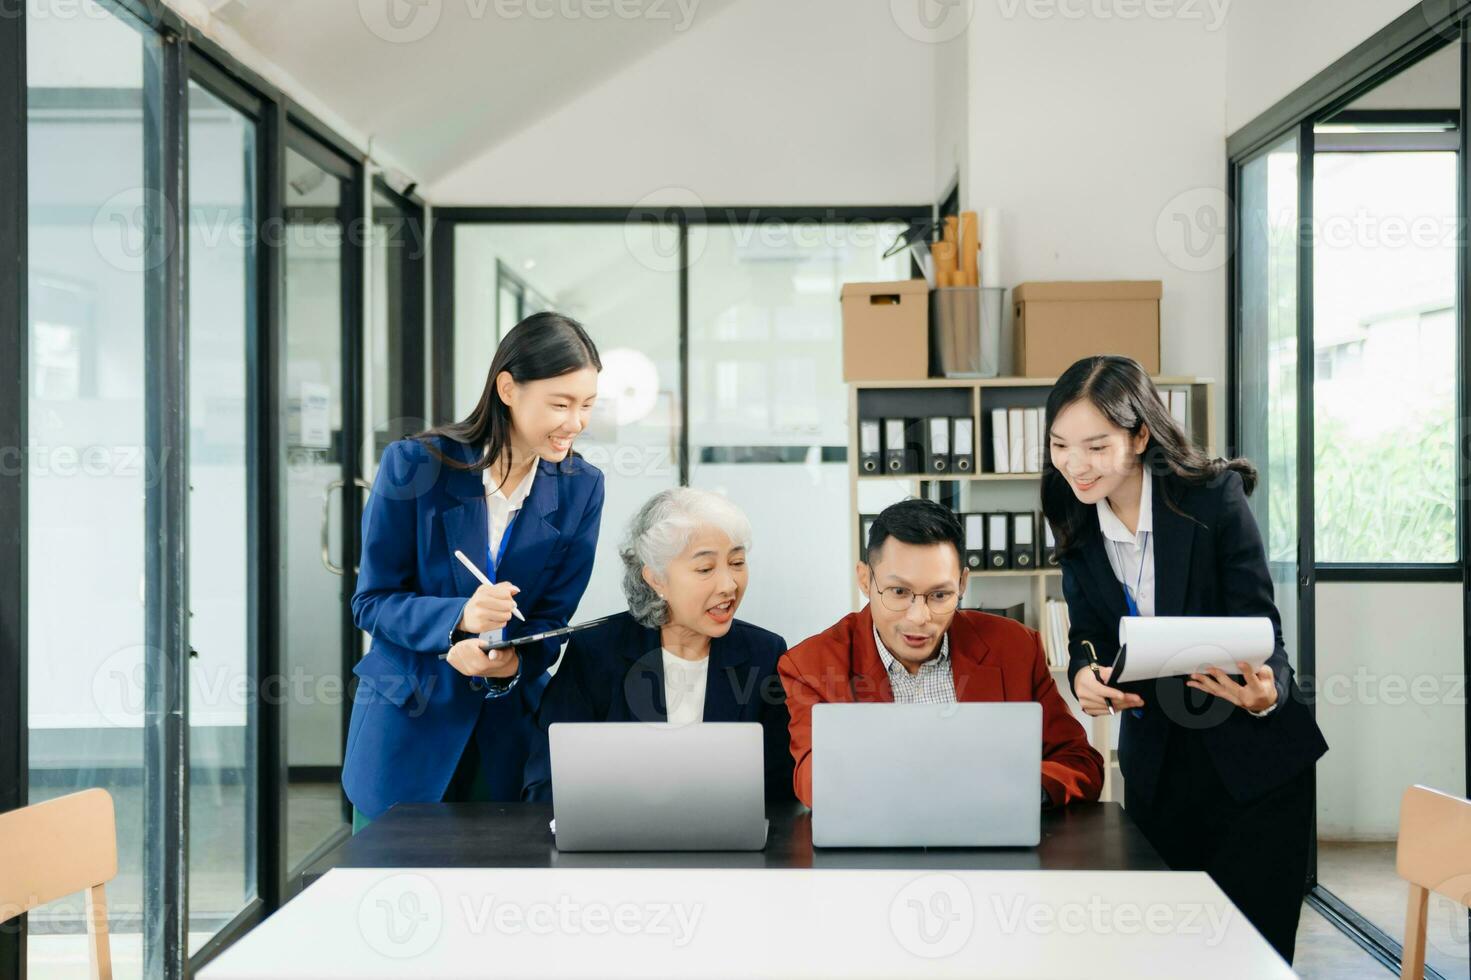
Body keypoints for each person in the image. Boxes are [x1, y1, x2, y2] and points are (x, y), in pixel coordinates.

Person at [1043, 354, 1327, 963]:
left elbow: (1262, 627)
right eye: (1060, 446)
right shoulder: (1073, 514)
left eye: (1095, 446)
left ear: (1140, 435)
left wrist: (1268, 692)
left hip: (1253, 764)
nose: (1075, 465)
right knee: (1169, 954)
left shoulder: (1211, 500)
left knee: (1253, 957)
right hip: (1160, 767)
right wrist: (1084, 673)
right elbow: (1088, 631)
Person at [343, 312, 606, 826]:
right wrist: (458, 617)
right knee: (391, 899)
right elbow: (371, 602)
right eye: (560, 403)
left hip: (504, 737)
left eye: (587, 405)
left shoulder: (582, 487)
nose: (575, 423)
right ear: (508, 388)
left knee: (497, 901)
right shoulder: (415, 466)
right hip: (405, 733)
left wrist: (511, 666)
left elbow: (552, 620)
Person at [778, 498, 1104, 809]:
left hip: (991, 845)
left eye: (939, 595)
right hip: (877, 852)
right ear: (865, 579)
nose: (919, 617)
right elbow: (815, 783)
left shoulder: (1016, 648)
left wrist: (1017, 793)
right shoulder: (811, 666)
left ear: (962, 584)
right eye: (899, 592)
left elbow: (1079, 762)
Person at [525, 488, 793, 802]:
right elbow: (546, 781)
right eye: (705, 569)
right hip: (617, 842)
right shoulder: (595, 651)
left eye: (736, 562)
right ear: (656, 579)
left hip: (727, 845)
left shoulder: (765, 653)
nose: (729, 585)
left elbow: (782, 790)